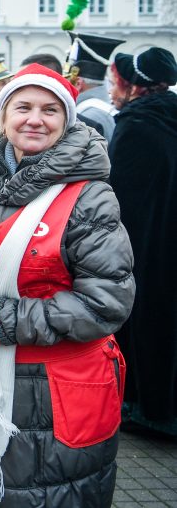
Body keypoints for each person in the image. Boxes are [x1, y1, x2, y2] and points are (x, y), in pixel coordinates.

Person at [0, 63, 135, 506]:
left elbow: (108, 301)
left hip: (58, 394)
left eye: (50, 110)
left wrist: (5, 319)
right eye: (23, 107)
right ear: (4, 115)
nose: (35, 119)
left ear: (67, 120)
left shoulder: (89, 195)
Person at [107, 46, 177, 437]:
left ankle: (146, 407)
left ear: (132, 83)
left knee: (148, 322)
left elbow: (119, 199)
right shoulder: (168, 116)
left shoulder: (135, 125)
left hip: (145, 249)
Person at [63, 32, 124, 139]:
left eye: (66, 80)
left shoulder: (87, 116)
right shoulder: (105, 108)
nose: (63, 85)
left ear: (78, 83)